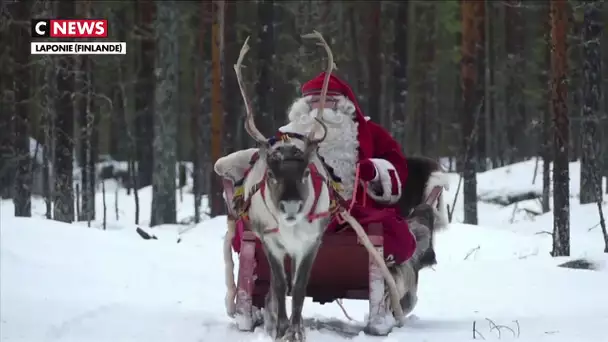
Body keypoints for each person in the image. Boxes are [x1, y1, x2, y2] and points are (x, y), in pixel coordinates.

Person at [217, 72, 438, 268]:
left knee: (395, 235)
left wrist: (375, 170)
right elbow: (265, 163)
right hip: (290, 215)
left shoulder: (370, 132)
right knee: (248, 226)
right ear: (302, 107)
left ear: (344, 105)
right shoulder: (287, 135)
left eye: (330, 102)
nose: (320, 108)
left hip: (350, 217)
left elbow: (398, 167)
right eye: (312, 103)